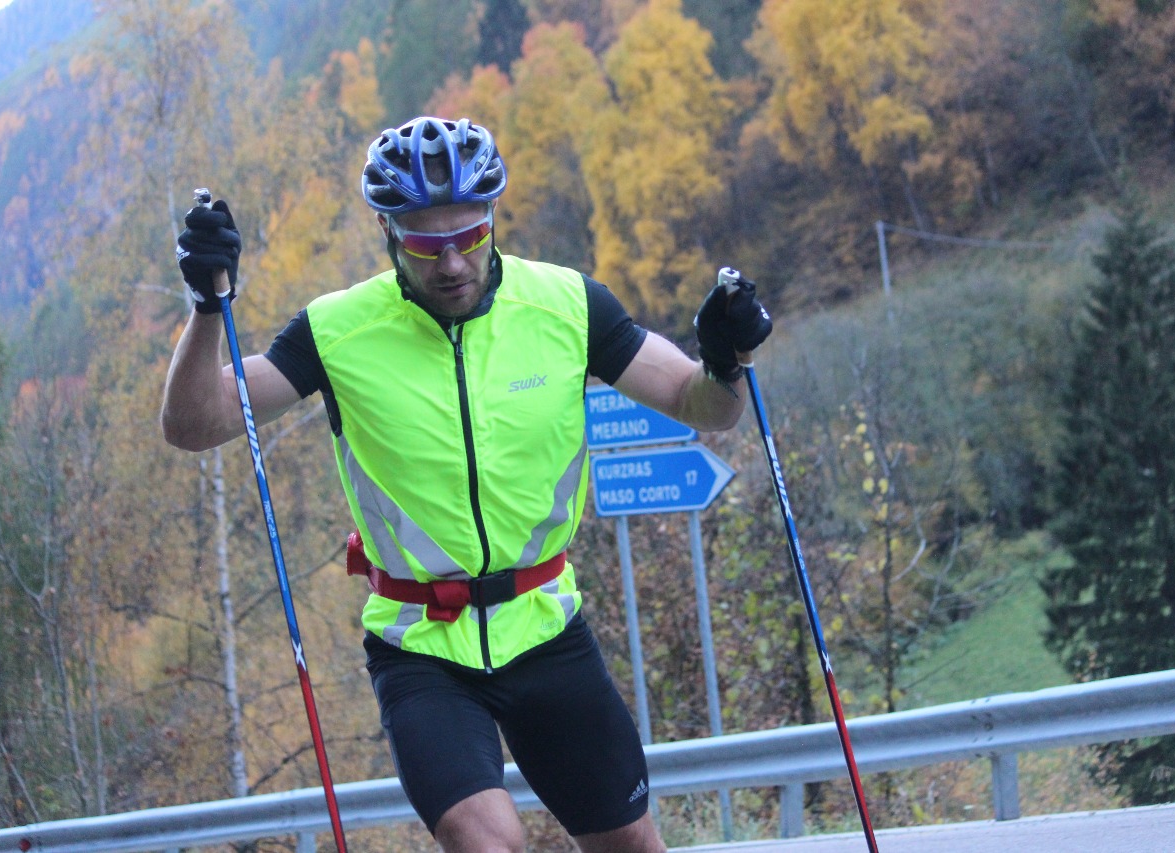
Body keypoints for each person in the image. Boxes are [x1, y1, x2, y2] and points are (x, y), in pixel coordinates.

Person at [162, 116, 771, 853]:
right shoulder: (336, 332)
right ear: (390, 235)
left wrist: (727, 359)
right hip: (421, 645)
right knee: (491, 845)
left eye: (469, 237)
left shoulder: (569, 306)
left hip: (545, 627)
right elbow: (195, 423)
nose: (451, 262)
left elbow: (702, 406)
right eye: (425, 244)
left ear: (492, 222)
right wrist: (205, 307)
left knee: (633, 847)